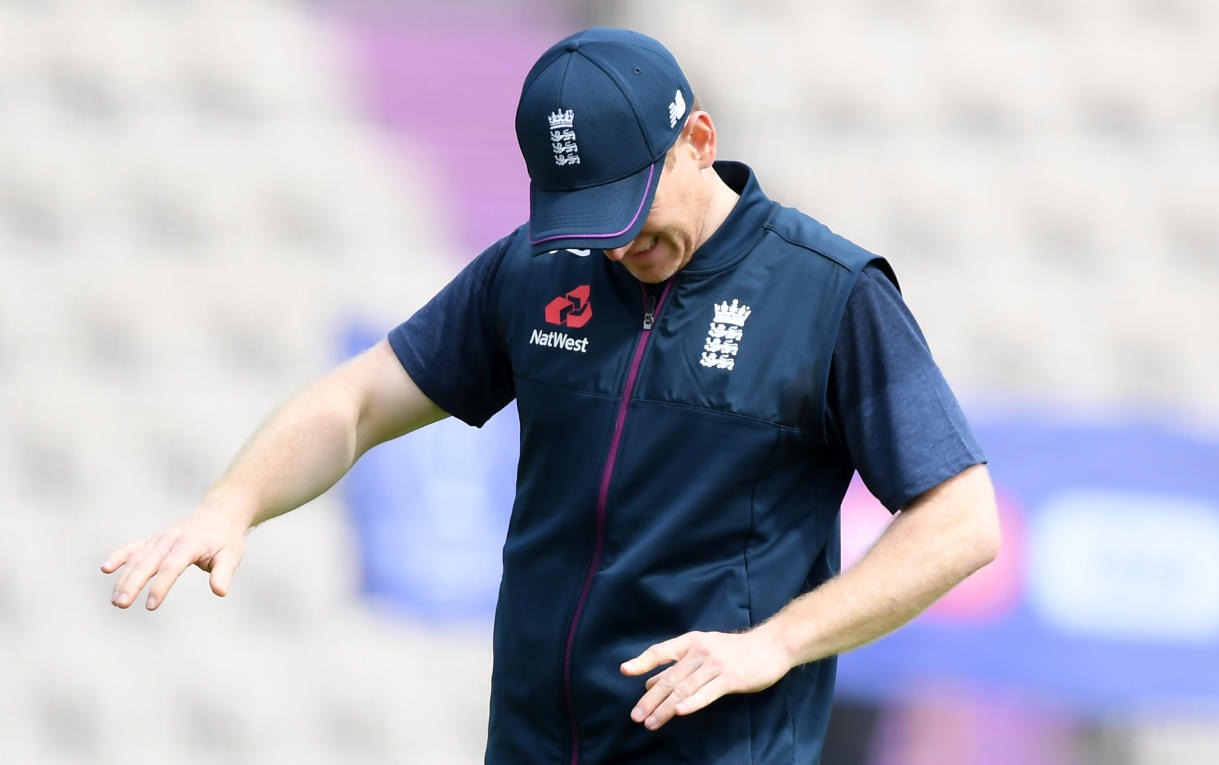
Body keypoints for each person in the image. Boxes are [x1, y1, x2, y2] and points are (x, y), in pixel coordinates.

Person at [103, 27, 1000, 764]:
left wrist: (776, 642)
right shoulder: (535, 268)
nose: (612, 247)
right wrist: (233, 503)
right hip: (531, 745)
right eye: (585, 218)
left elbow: (962, 521)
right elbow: (361, 401)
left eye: (629, 211)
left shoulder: (831, 292)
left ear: (699, 142)